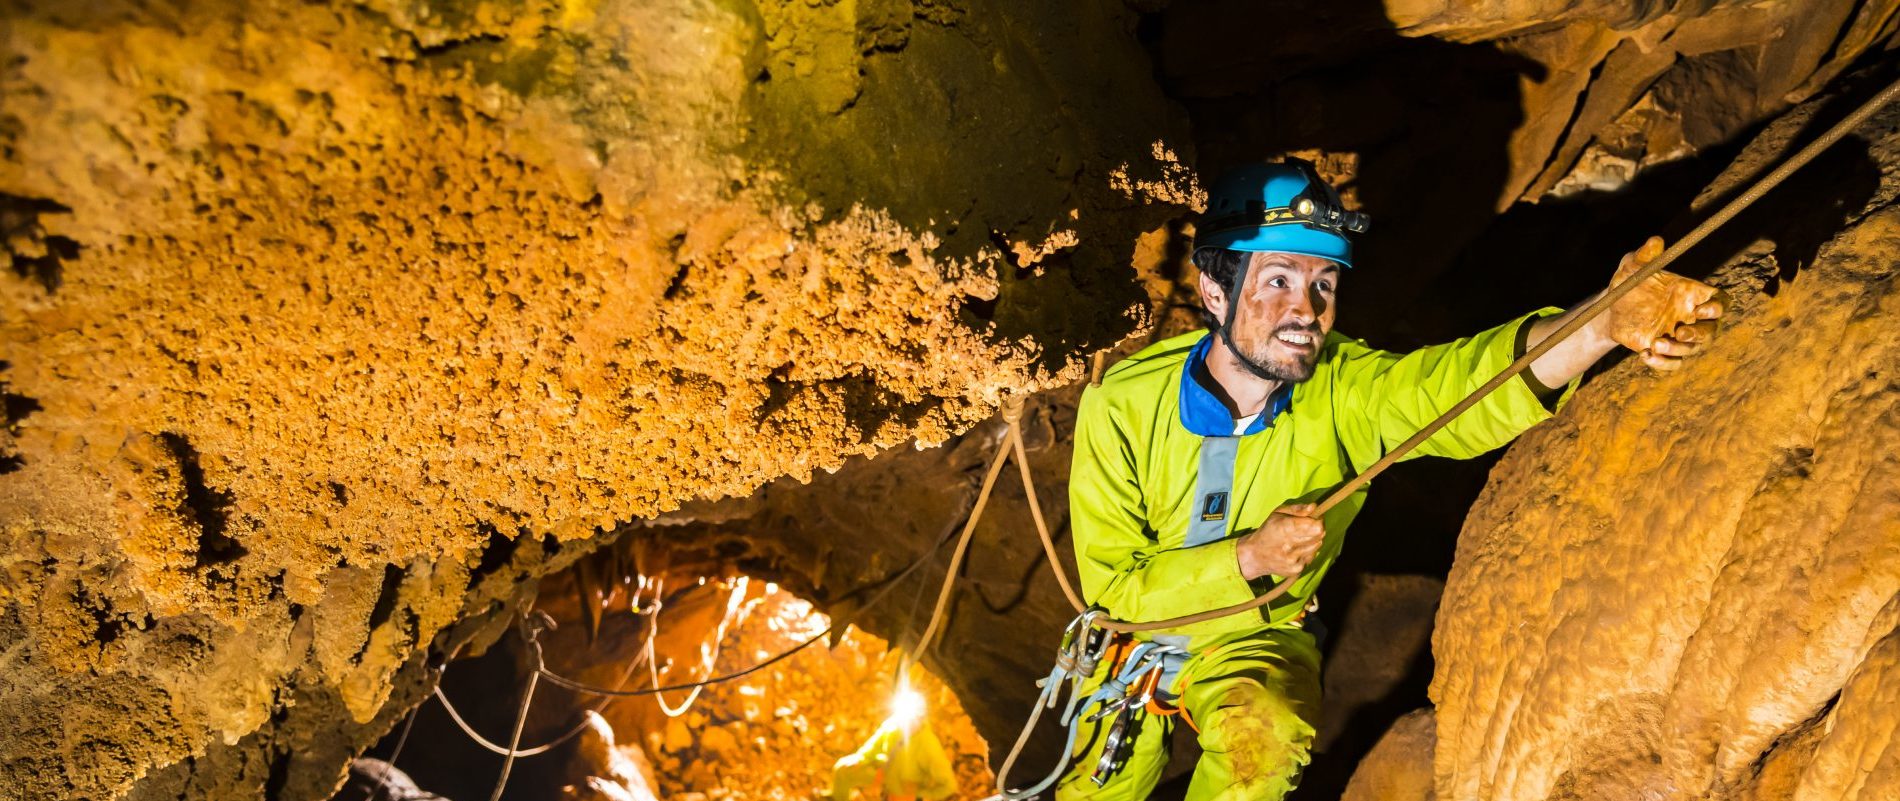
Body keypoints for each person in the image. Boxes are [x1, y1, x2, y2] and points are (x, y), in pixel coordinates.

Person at [1060, 160, 1724, 801]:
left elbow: (1459, 389)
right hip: (1133, 638)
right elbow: (1114, 588)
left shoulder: (1346, 389)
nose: (1308, 308)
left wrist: (1600, 324)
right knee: (1096, 783)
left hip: (1259, 633)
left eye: (1325, 282)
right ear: (1214, 289)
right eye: (1279, 280)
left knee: (1260, 745)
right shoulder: (1122, 404)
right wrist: (1248, 557)